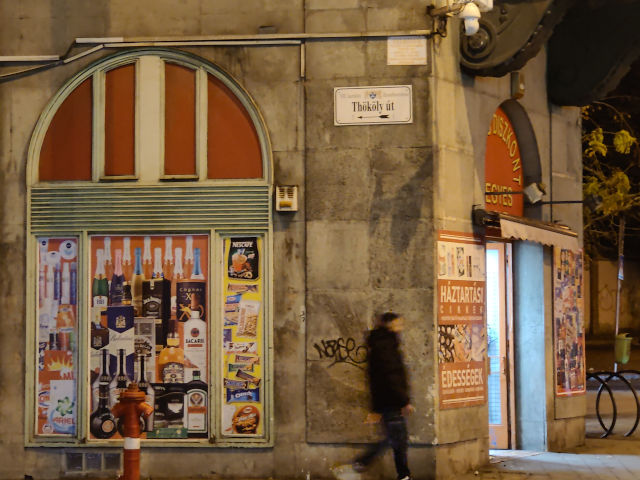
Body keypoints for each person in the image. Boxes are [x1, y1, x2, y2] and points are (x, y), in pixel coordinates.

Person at [333, 312, 414, 480]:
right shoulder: (386, 346)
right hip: (392, 400)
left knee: (396, 439)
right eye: (398, 324)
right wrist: (404, 400)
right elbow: (392, 375)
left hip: (387, 400)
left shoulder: (382, 344)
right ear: (389, 325)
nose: (401, 327)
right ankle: (359, 465)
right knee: (394, 439)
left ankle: (403, 475)